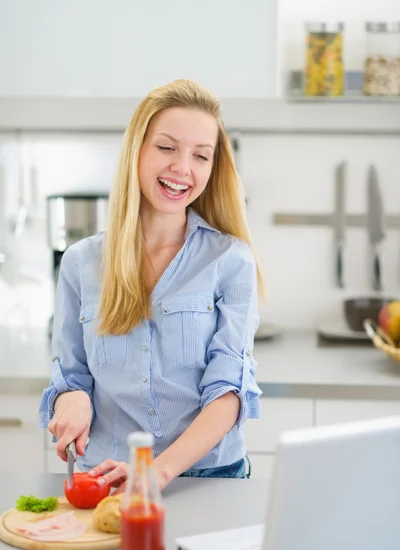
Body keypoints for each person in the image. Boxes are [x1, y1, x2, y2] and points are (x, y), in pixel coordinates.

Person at [38, 79, 265, 493]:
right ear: (136, 150)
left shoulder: (230, 260)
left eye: (201, 155)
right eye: (166, 147)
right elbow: (71, 374)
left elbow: (228, 393)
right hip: (107, 478)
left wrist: (155, 472)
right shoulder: (80, 263)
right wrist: (72, 398)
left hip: (208, 480)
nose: (183, 167)